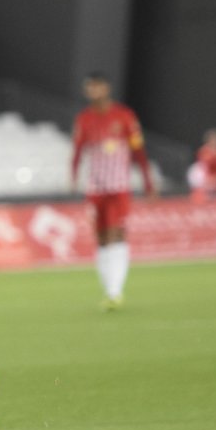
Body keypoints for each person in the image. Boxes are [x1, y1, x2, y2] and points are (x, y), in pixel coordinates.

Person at [71, 73, 155, 311]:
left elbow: (138, 150)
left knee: (116, 233)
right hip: (95, 187)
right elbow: (77, 149)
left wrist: (148, 181)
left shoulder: (124, 116)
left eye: (97, 87)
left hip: (118, 187)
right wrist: (74, 175)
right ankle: (109, 289)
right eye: (89, 88)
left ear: (106, 88)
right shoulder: (84, 119)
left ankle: (115, 291)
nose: (93, 91)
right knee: (101, 238)